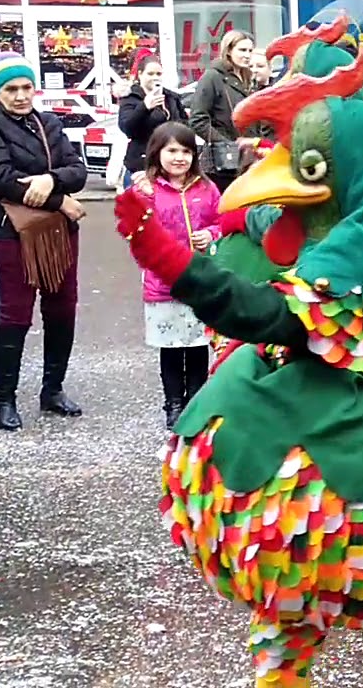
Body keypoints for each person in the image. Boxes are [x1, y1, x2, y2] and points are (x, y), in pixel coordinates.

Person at [0, 52, 87, 430]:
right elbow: (0, 176)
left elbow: (78, 171)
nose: (21, 96)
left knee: (61, 309)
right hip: (11, 233)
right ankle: (5, 399)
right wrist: (61, 199)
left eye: (26, 87)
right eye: (11, 89)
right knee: (14, 316)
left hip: (58, 233)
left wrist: (49, 181)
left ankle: (52, 390)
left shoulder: (48, 122)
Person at [128, 122, 221, 428]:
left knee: (196, 346)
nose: (179, 157)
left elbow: (222, 222)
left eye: (186, 151)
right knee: (170, 350)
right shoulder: (147, 190)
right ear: (156, 153)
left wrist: (210, 234)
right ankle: (173, 404)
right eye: (172, 150)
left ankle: (196, 401)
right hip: (163, 283)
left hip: (198, 282)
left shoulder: (207, 189)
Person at [189, 30, 257, 192]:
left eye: (250, 51)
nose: (247, 55)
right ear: (228, 51)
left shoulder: (248, 78)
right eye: (242, 50)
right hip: (222, 163)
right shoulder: (212, 77)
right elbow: (198, 119)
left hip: (248, 159)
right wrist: (226, 143)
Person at [118, 53, 188, 186]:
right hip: (142, 164)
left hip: (170, 164)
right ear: (140, 74)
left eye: (158, 74)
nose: (155, 78)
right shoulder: (131, 97)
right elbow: (127, 128)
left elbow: (185, 124)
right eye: (150, 74)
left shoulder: (171, 97)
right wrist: (144, 107)